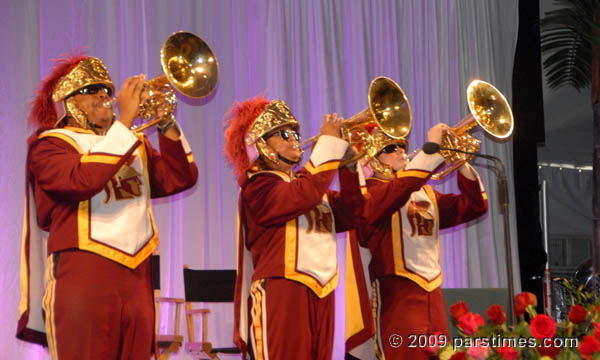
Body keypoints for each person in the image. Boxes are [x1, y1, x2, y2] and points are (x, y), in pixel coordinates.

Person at [16, 55, 198, 360]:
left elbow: (180, 177)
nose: (104, 96)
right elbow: (82, 181)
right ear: (69, 101)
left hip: (138, 275)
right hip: (84, 271)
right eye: (92, 89)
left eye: (106, 89)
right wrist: (125, 121)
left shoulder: (130, 141)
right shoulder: (50, 144)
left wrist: (165, 121)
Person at [224, 96, 372, 360]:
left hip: (322, 291)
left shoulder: (309, 184)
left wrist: (349, 165)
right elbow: (301, 196)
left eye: (295, 132)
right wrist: (327, 146)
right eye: (283, 133)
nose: (294, 138)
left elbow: (356, 214)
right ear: (260, 143)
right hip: (283, 291)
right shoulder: (258, 185)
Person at [354, 124, 488, 360]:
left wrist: (459, 161)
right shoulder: (371, 195)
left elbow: (476, 205)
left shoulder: (427, 194)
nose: (400, 151)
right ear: (372, 160)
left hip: (433, 292)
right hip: (399, 294)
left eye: (402, 145)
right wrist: (432, 151)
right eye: (390, 147)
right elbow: (399, 190)